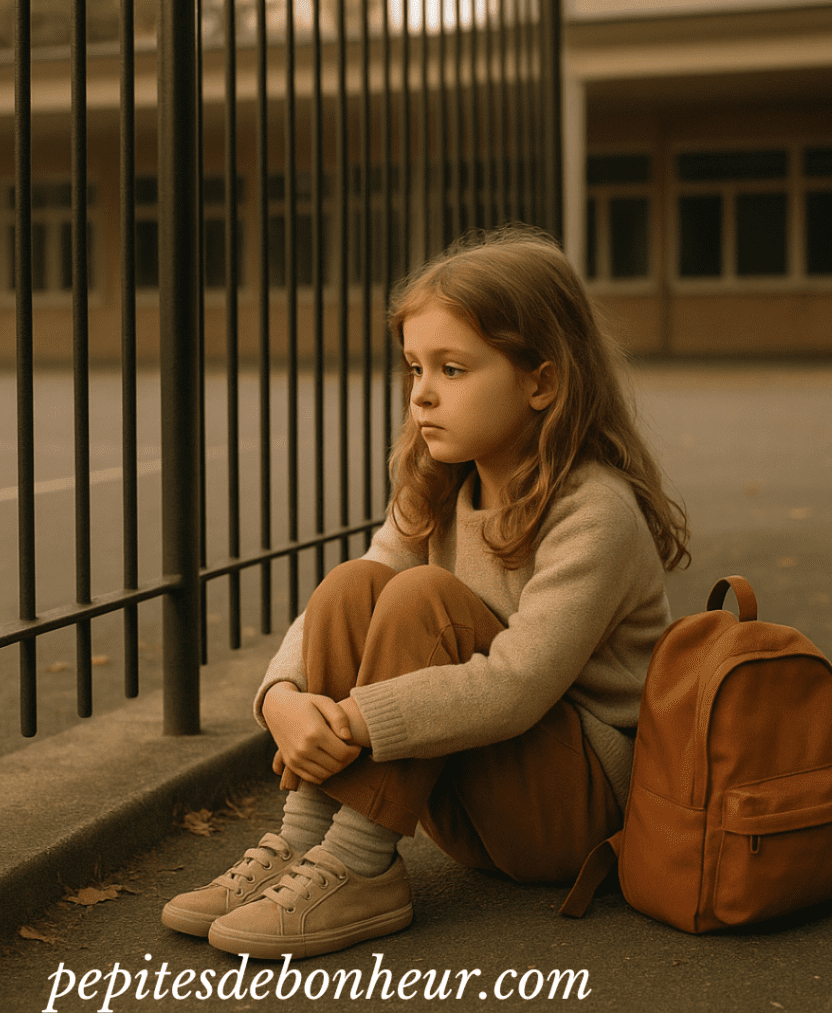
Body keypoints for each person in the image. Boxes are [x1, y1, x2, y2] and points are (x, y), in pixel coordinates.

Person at [161, 225, 690, 961]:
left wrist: (349, 720)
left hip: (575, 814)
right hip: (467, 789)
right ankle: (304, 841)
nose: (422, 395)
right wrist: (281, 698)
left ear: (542, 383)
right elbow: (344, 602)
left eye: (453, 369)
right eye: (414, 368)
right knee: (356, 584)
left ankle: (361, 864)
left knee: (422, 600)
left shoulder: (593, 511)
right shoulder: (440, 482)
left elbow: (516, 686)